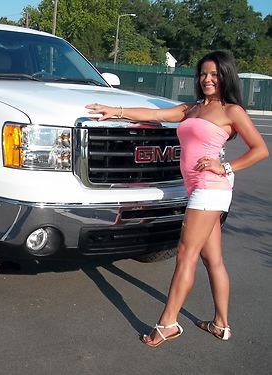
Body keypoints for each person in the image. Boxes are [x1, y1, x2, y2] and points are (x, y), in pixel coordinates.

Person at [86, 51, 269, 347]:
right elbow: (155, 115)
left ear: (225, 76)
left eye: (214, 74)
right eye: (203, 74)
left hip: (210, 188)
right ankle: (221, 324)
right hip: (199, 188)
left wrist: (223, 166)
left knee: (185, 255)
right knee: (213, 259)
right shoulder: (193, 109)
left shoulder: (231, 111)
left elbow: (260, 149)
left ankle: (168, 323)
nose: (207, 79)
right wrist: (115, 110)